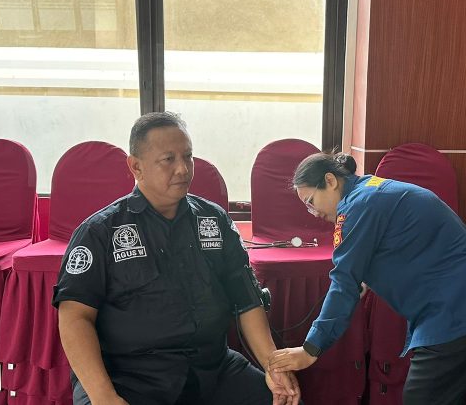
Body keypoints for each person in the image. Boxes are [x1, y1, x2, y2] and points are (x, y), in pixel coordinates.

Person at [53, 112, 300, 405]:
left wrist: (272, 364)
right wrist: (104, 396)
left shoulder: (213, 220)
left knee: (283, 400)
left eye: (188, 156)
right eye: (168, 159)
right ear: (136, 166)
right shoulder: (101, 231)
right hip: (128, 375)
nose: (183, 169)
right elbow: (74, 316)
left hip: (211, 368)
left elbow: (247, 299)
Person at [268, 152, 466, 405]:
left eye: (311, 201)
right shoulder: (369, 190)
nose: (313, 212)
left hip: (460, 304)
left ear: (330, 181)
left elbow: (344, 283)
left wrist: (310, 349)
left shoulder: (359, 206)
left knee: (421, 398)